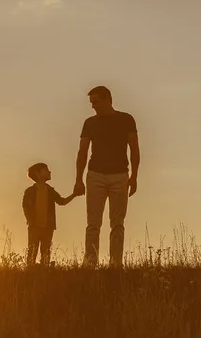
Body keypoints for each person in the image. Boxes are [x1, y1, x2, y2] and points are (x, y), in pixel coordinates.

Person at [73, 86, 140, 267]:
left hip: (120, 175)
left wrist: (134, 176)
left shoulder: (126, 119)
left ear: (107, 99)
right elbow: (82, 152)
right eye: (91, 103)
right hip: (95, 175)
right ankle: (90, 262)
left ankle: (115, 264)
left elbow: (134, 149)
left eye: (96, 102)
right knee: (93, 223)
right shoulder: (90, 123)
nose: (93, 106)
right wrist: (78, 179)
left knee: (117, 223)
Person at [22, 163, 77, 267]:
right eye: (46, 170)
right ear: (38, 174)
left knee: (46, 251)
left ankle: (44, 270)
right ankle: (30, 271)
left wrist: (74, 195)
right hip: (34, 226)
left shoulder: (50, 191)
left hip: (48, 227)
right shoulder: (30, 191)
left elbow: (62, 201)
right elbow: (25, 206)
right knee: (32, 251)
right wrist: (30, 221)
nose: (49, 172)